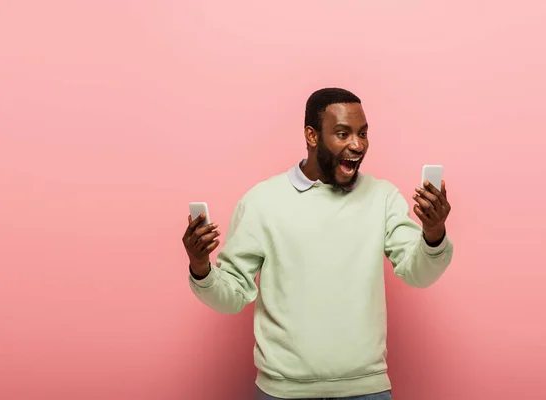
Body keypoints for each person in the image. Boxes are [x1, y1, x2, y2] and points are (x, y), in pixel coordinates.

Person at [182, 88, 454, 399]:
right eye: (343, 133)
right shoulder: (262, 202)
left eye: (363, 133)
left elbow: (418, 274)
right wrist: (201, 267)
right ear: (312, 136)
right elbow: (230, 297)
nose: (357, 144)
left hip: (366, 390)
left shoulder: (383, 197)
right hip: (282, 392)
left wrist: (434, 233)